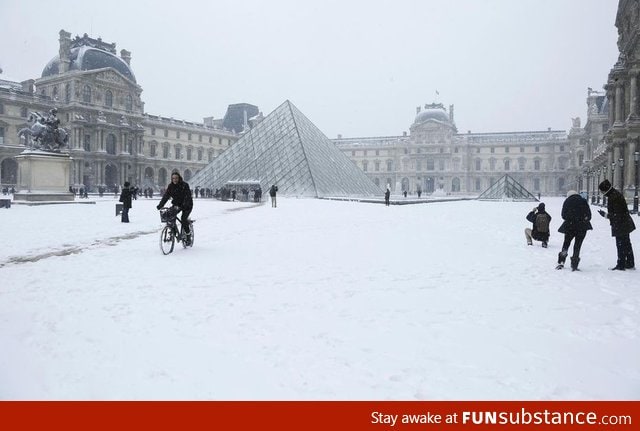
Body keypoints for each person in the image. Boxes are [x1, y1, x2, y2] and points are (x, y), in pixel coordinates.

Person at [597, 179, 636, 270]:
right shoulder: (614, 195)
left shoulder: (614, 197)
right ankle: (630, 263)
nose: (602, 193)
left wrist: (606, 215)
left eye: (602, 191)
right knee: (626, 243)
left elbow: (618, 214)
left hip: (621, 224)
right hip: (624, 223)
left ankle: (621, 264)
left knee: (621, 244)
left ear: (606, 190)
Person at [556, 190, 592, 271]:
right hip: (582, 227)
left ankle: (561, 261)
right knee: (577, 246)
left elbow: (563, 215)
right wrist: (582, 219)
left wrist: (571, 219)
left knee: (566, 244)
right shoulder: (583, 201)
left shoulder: (567, 201)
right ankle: (574, 264)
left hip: (570, 226)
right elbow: (589, 215)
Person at [157, 170, 194, 245]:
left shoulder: (184, 185)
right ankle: (174, 232)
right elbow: (166, 196)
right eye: (173, 178)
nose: (175, 180)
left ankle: (188, 236)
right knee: (170, 216)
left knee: (183, 219)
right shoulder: (171, 186)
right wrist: (160, 205)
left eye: (176, 178)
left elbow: (187, 196)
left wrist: (184, 205)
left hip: (187, 205)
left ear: (179, 178)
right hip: (177, 204)